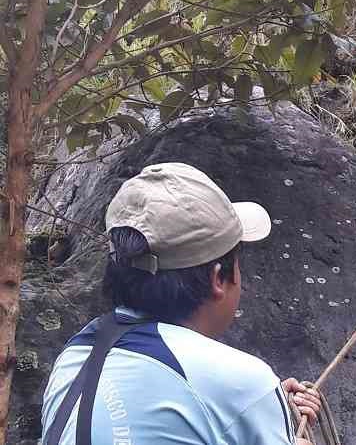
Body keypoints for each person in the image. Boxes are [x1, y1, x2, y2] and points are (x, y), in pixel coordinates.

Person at [41, 162, 322, 445]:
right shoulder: (243, 384)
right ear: (217, 279)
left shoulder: (77, 354)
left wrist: (250, 410)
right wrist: (254, 404)